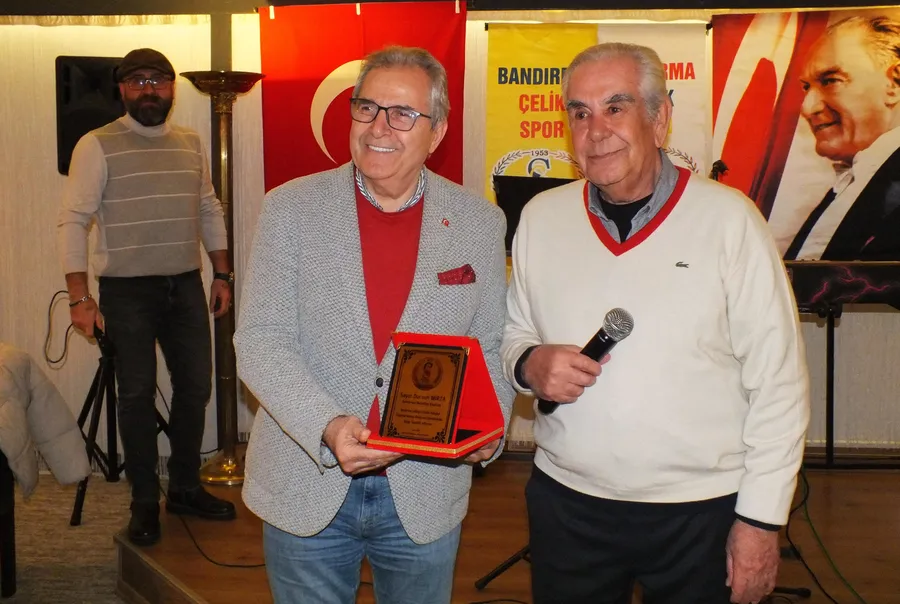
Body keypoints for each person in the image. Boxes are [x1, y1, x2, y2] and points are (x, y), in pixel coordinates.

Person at [501, 43, 810, 604]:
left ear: (660, 117)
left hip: (701, 512)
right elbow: (516, 332)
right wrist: (529, 364)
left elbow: (779, 384)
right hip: (567, 505)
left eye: (615, 108)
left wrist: (761, 521)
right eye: (580, 112)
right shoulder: (541, 218)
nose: (596, 131)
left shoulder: (730, 221)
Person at [233, 46, 515, 604]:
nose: (379, 127)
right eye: (367, 108)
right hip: (306, 480)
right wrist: (327, 425)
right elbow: (261, 341)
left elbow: (489, 342)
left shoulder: (480, 222)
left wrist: (491, 428)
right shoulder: (290, 208)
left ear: (437, 133)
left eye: (403, 113)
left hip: (426, 488)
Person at [57, 48, 237, 547]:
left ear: (172, 87)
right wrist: (79, 297)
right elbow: (73, 220)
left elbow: (208, 207)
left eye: (157, 79)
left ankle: (183, 487)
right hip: (126, 291)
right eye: (137, 81)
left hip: (185, 284)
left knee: (195, 388)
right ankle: (142, 501)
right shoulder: (96, 144)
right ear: (121, 89)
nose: (148, 89)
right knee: (135, 395)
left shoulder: (190, 142)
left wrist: (222, 274)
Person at [785, 15, 900, 260]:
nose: (807, 107)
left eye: (830, 81)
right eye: (806, 87)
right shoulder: (855, 179)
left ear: (894, 83)